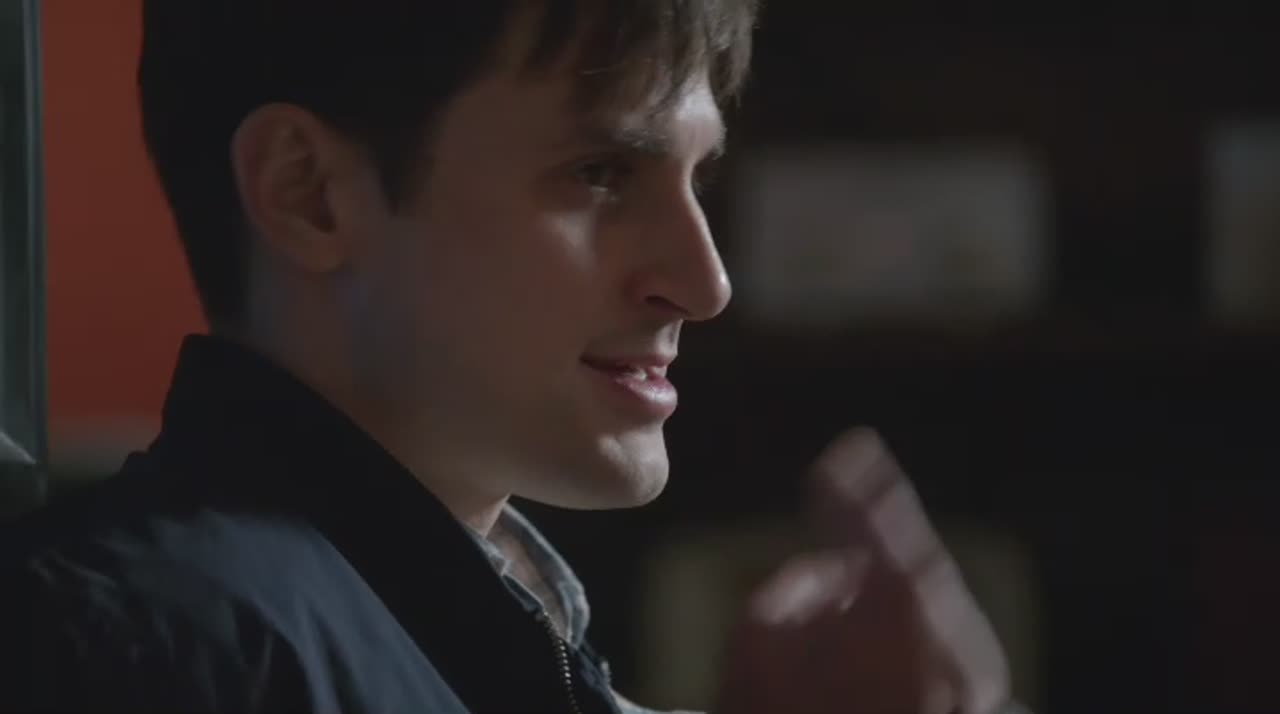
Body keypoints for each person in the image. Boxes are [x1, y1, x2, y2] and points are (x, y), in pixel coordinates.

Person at [0, 1, 1021, 712]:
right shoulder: (138, 654)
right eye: (600, 172)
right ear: (308, 193)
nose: (704, 281)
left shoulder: (446, 640)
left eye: (697, 178)